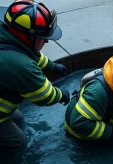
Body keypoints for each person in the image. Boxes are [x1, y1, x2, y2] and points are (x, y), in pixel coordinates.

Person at [0, 0, 70, 148]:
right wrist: (60, 94)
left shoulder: (8, 35)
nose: (46, 42)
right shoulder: (20, 66)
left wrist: (52, 66)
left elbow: (29, 54)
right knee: (18, 141)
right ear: (28, 37)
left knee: (18, 118)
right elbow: (42, 95)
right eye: (43, 37)